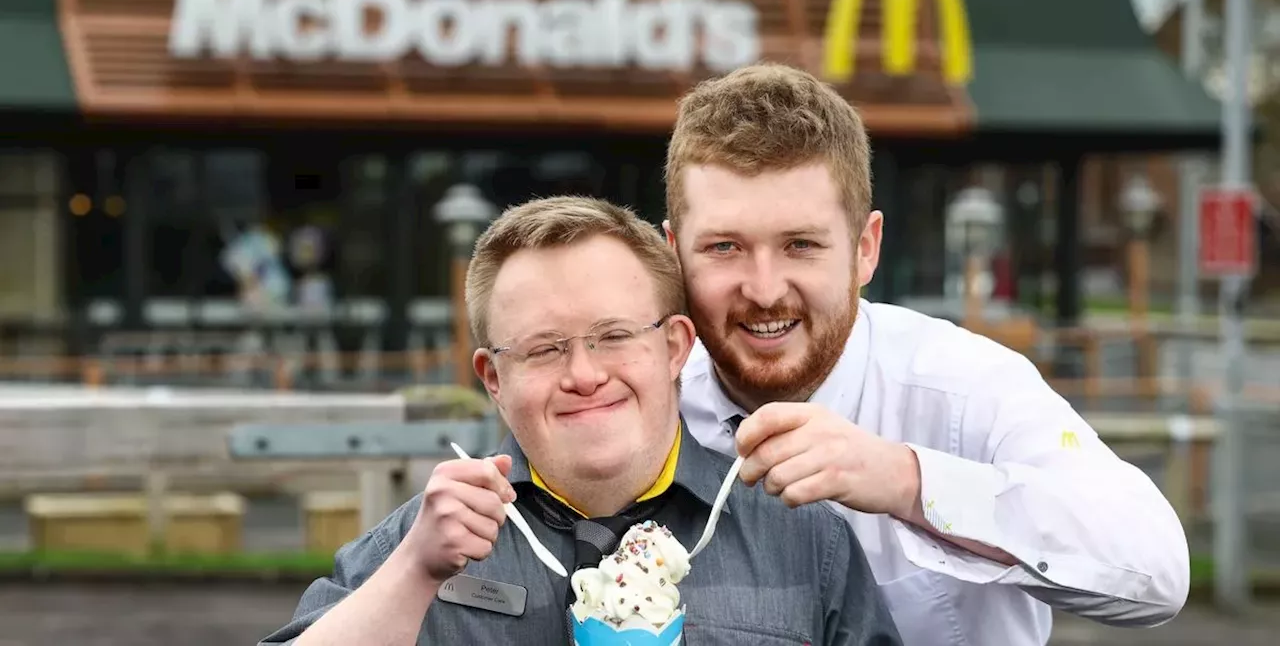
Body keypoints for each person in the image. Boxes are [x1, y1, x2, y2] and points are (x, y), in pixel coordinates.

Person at [664, 64, 1190, 646]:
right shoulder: (644, 402)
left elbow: (1157, 571)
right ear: (673, 255)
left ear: (866, 250)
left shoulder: (965, 386)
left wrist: (907, 481)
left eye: (801, 245)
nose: (764, 290)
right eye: (724, 247)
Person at [260, 196, 902, 645]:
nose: (584, 375)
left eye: (614, 336)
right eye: (543, 349)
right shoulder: (419, 548)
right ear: (492, 378)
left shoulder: (802, 543)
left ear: (675, 347)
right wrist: (412, 575)